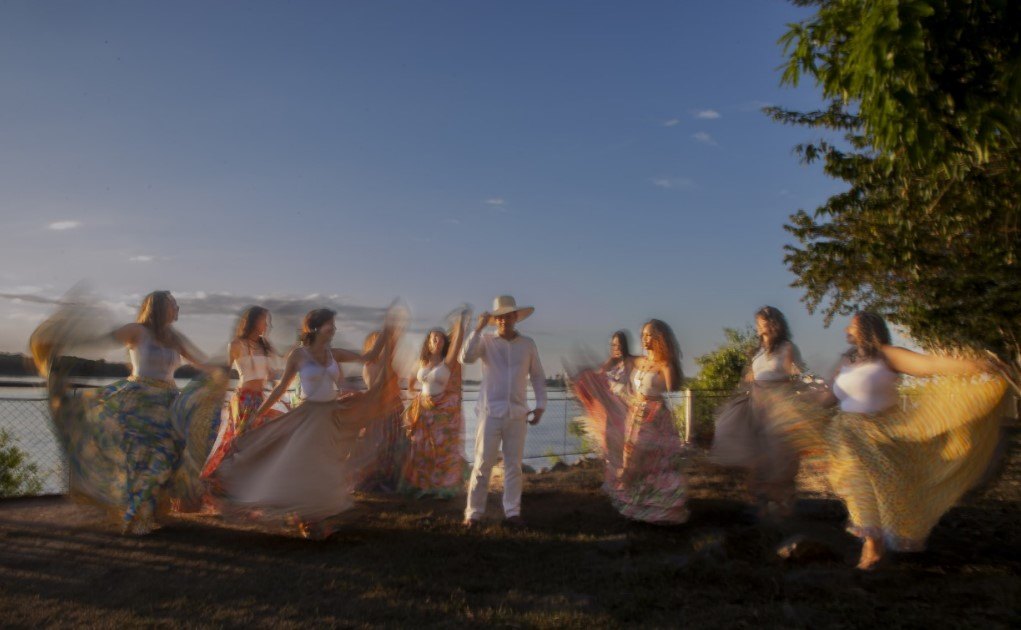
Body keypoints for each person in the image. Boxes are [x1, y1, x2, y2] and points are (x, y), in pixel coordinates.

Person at [780, 312, 1007, 570]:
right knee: (858, 487)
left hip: (882, 434)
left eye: (851, 325)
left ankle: (876, 547)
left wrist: (976, 366)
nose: (846, 330)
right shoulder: (847, 360)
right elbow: (827, 397)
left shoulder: (887, 355)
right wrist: (795, 407)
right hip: (847, 435)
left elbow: (931, 365)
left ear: (866, 328)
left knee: (886, 490)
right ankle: (872, 548)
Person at [30, 290, 227, 535]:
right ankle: (137, 518)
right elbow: (102, 340)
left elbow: (203, 363)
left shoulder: (174, 337)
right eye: (173, 304)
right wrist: (63, 342)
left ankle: (146, 511)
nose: (177, 307)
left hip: (167, 404)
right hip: (139, 402)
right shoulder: (137, 331)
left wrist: (222, 373)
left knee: (168, 457)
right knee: (142, 460)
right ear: (158, 307)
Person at [205, 307, 403, 538]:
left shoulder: (334, 353)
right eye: (331, 325)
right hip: (310, 416)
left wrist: (388, 333)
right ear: (318, 327)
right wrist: (260, 412)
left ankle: (314, 518)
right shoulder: (299, 355)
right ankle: (307, 518)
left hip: (332, 414)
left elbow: (368, 356)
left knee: (327, 465)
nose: (335, 329)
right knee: (309, 466)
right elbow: (280, 388)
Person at [710, 306, 805, 517]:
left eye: (760, 321)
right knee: (757, 450)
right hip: (756, 404)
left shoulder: (788, 348)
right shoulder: (758, 350)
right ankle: (761, 505)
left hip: (778, 404)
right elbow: (750, 377)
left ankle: (783, 506)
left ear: (772, 324)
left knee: (778, 452)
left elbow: (799, 376)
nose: (756, 326)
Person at [461, 295, 546, 528]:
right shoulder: (486, 341)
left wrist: (540, 406)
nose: (503, 320)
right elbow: (465, 357)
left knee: (513, 466)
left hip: (517, 415)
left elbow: (537, 376)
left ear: (515, 317)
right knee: (481, 464)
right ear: (494, 319)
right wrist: (477, 328)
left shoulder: (527, 344)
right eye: (499, 317)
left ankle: (512, 512)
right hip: (490, 413)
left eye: (508, 316)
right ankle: (473, 513)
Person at [201, 306, 283, 478]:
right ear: (253, 321)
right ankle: (227, 478)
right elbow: (224, 373)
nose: (267, 325)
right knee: (240, 441)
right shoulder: (236, 344)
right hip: (243, 399)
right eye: (264, 320)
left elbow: (271, 374)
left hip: (261, 399)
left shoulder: (265, 345)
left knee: (264, 438)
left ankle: (254, 480)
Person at [400, 307, 471, 497]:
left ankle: (442, 487)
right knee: (422, 449)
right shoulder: (421, 363)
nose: (437, 341)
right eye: (433, 338)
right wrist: (414, 398)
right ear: (428, 342)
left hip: (443, 413)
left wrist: (460, 324)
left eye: (440, 338)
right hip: (423, 411)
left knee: (442, 450)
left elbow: (457, 343)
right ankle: (425, 486)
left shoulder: (447, 363)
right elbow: (411, 382)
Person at [355, 329, 409, 493]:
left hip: (394, 409)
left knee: (394, 445)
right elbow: (374, 390)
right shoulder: (370, 365)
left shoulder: (389, 364)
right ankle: (378, 481)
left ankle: (391, 480)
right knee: (380, 445)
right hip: (380, 410)